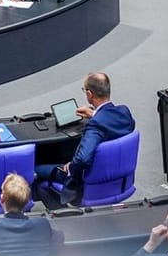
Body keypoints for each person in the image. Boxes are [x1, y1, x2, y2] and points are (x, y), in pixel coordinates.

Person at [33, 72, 133, 205]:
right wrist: (94, 114)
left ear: (90, 94)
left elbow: (83, 159)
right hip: (118, 181)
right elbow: (112, 123)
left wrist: (69, 168)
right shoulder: (124, 112)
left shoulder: (95, 125)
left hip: (85, 182)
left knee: (36, 170)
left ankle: (63, 218)